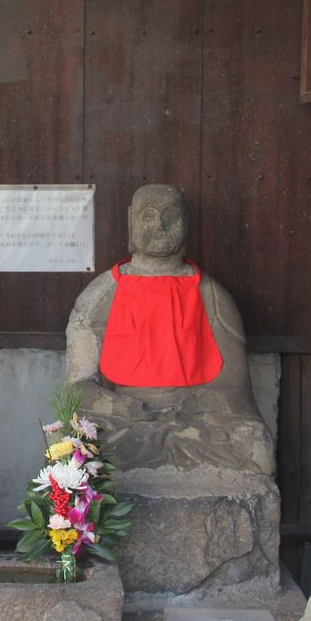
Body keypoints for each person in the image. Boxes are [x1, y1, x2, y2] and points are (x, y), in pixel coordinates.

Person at [64, 184, 274, 474]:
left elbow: (234, 389)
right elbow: (76, 388)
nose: (160, 227)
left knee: (257, 449)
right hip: (128, 421)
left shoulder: (212, 296)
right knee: (83, 446)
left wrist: (186, 410)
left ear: (186, 222)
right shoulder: (100, 295)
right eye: (148, 217)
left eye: (171, 217)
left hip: (195, 419)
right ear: (130, 222)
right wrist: (121, 407)